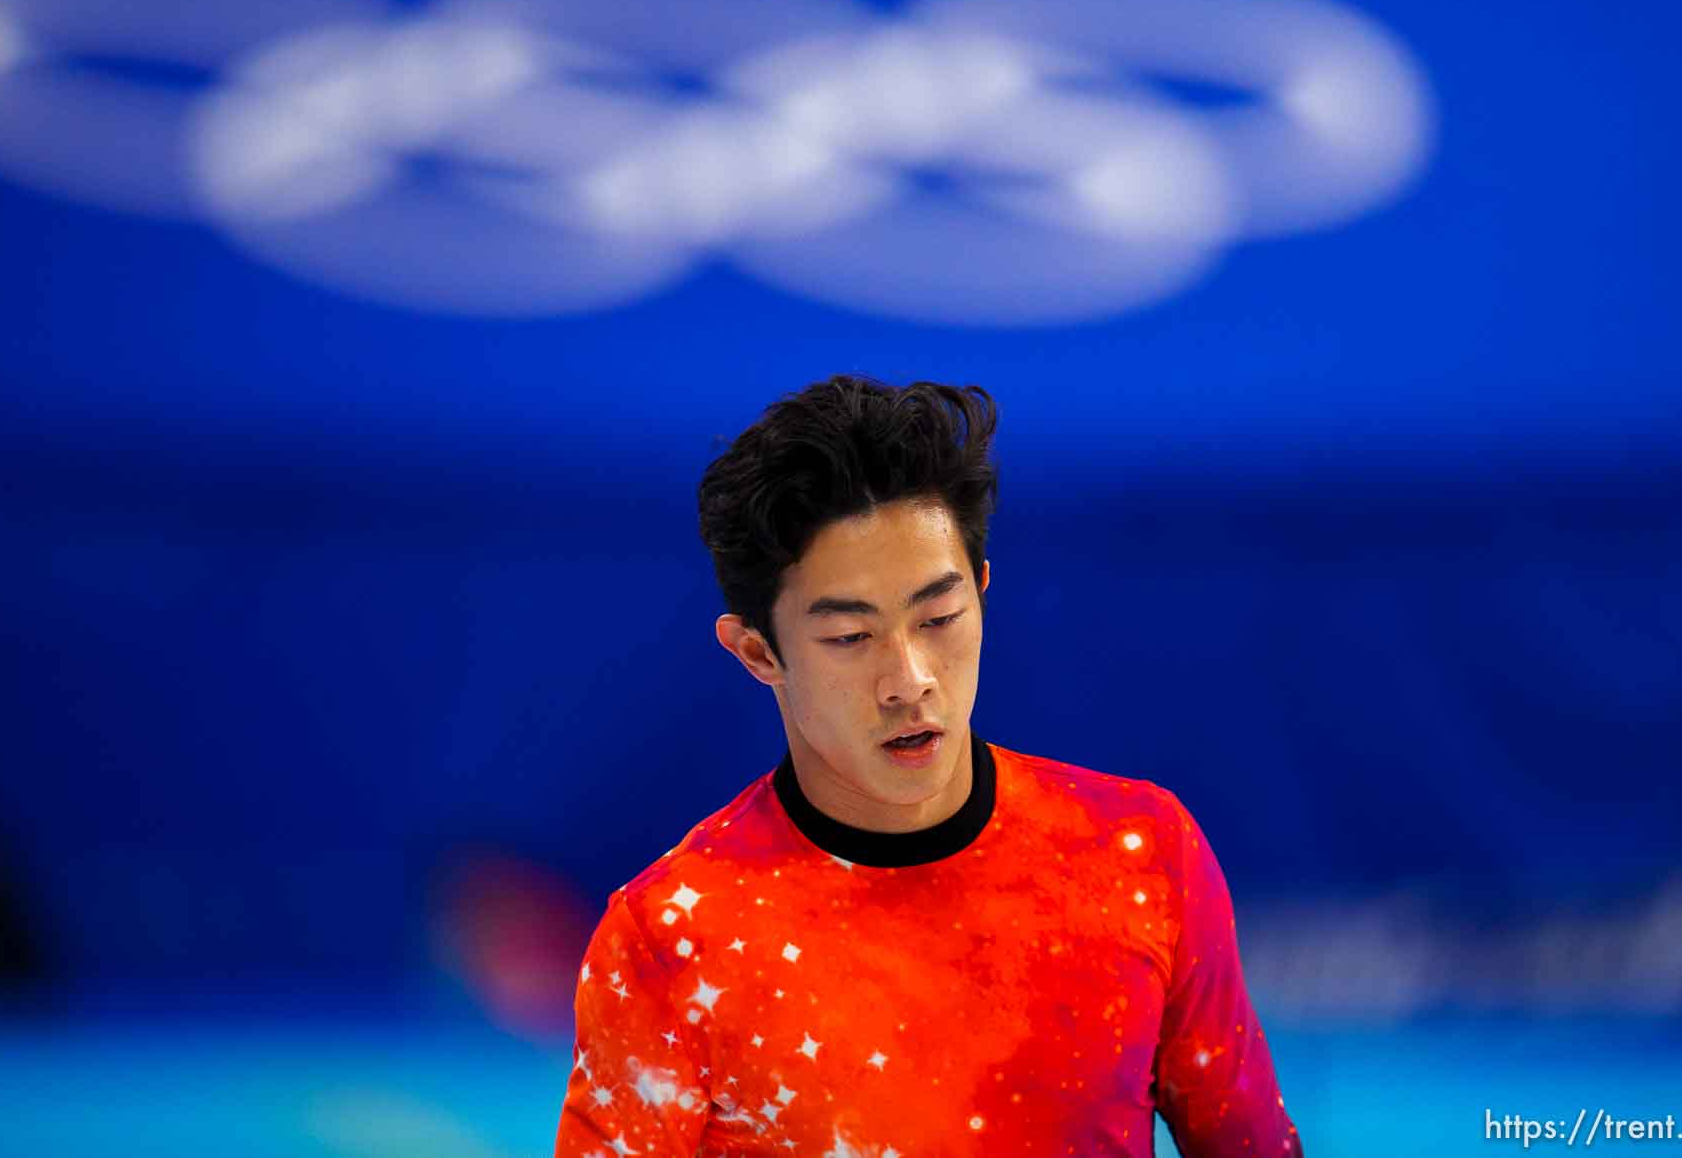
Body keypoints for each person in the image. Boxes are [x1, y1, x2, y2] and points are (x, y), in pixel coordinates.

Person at [553, 376, 1301, 1156]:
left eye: (938, 618)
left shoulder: (1142, 855)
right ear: (755, 651)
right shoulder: (669, 939)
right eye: (850, 637)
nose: (909, 678)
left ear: (981, 592)